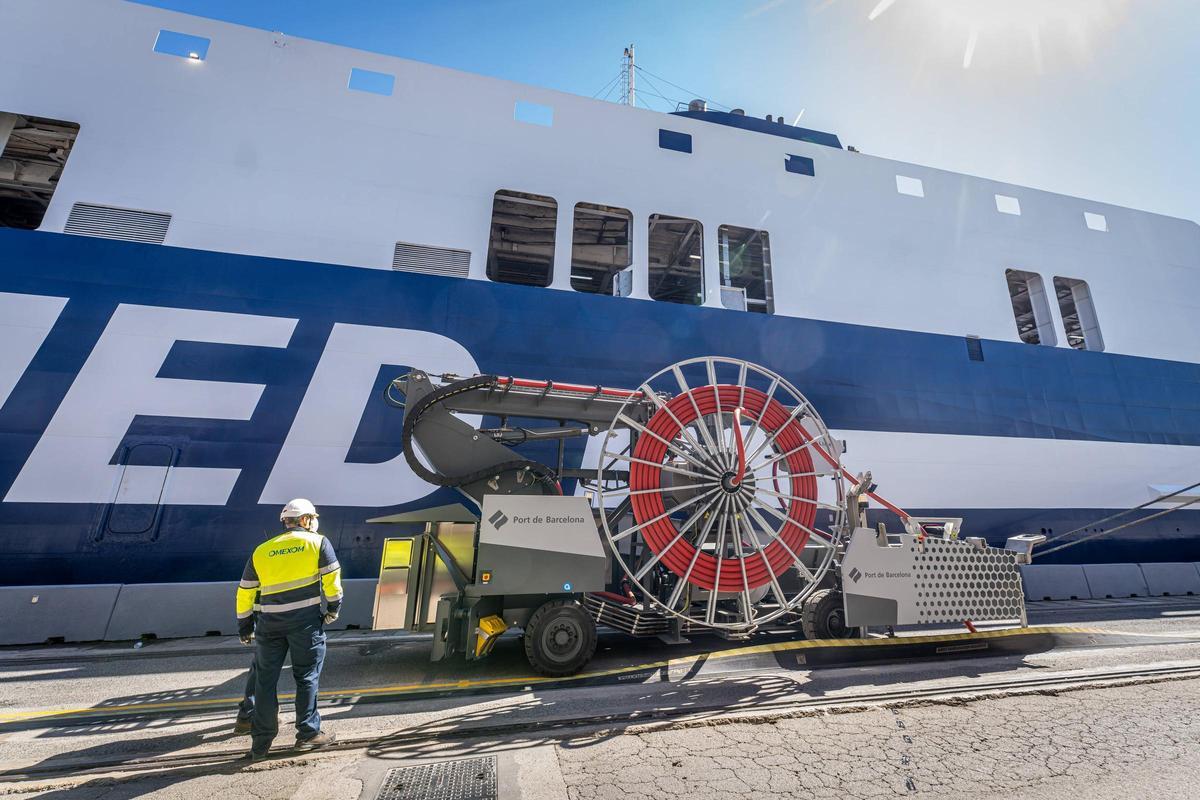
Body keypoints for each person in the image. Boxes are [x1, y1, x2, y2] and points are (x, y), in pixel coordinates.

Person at [235, 498, 342, 760]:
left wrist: (245, 626)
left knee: (264, 681)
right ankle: (307, 734)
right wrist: (333, 610)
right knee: (306, 677)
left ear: (285, 522)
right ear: (305, 520)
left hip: (269, 625)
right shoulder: (318, 542)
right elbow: (332, 583)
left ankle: (260, 744)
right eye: (312, 518)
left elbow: (245, 592)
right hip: (304, 624)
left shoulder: (262, 549)